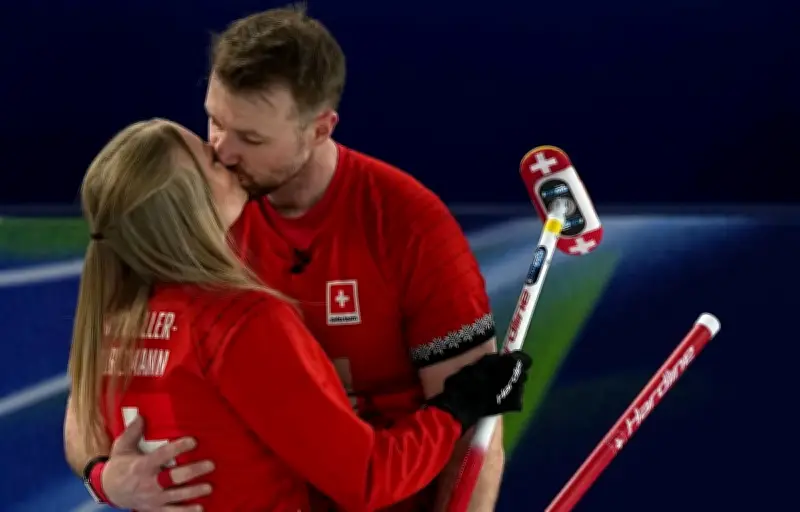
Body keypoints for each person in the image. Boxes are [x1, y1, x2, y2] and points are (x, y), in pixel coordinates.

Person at [65, 5, 509, 511]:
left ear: (320, 129)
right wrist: (104, 478)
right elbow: (85, 402)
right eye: (213, 122)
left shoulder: (410, 226)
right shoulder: (204, 243)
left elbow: (478, 439)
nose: (223, 151)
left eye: (251, 138)